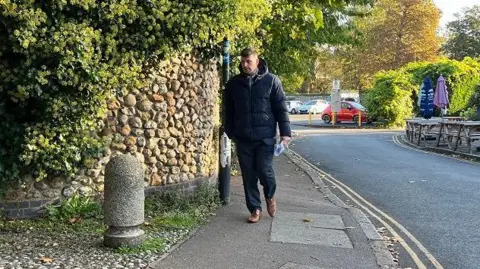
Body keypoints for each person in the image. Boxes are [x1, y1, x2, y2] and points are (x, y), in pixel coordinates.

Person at [224, 47, 291, 223]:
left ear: (257, 62)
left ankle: (269, 196)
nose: (245, 65)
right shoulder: (233, 84)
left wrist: (285, 134)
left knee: (264, 170)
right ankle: (255, 208)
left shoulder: (272, 81)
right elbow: (228, 111)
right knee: (248, 175)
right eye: (243, 61)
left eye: (249, 61)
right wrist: (230, 131)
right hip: (243, 137)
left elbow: (281, 109)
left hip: (265, 137)